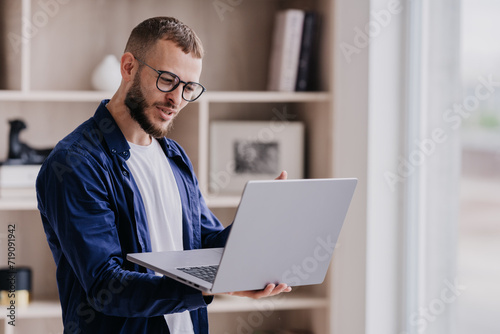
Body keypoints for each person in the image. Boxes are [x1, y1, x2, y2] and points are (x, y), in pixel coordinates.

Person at [36, 16, 291, 334]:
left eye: (188, 88)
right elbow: (106, 286)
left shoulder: (173, 156)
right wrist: (206, 288)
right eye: (167, 80)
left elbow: (203, 245)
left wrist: (258, 219)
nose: (177, 99)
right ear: (128, 67)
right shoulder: (75, 163)